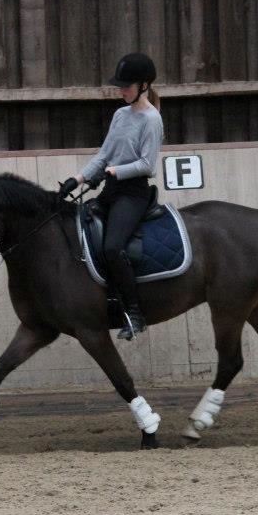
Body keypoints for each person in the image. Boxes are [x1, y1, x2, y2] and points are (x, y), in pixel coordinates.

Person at [58, 52, 164, 340]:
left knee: (112, 247)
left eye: (126, 86)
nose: (122, 91)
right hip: (111, 189)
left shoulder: (152, 120)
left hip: (133, 194)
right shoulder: (120, 115)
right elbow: (103, 156)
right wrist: (76, 179)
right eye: (121, 86)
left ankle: (135, 313)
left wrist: (116, 171)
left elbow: (147, 165)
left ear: (143, 85)